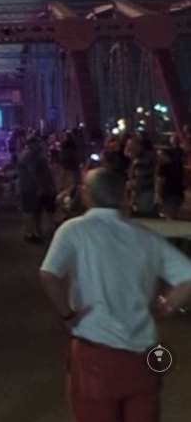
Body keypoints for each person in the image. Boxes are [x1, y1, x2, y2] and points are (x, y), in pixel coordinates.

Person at [40, 168, 191, 422]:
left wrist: (68, 316)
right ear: (123, 196)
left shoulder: (74, 230)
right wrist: (167, 306)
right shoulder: (145, 236)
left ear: (88, 195)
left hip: (95, 352)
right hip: (145, 354)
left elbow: (48, 275)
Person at [17, 133, 57, 243]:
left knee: (31, 211)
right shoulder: (30, 155)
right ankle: (29, 234)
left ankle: (32, 233)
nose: (40, 146)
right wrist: (40, 186)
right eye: (37, 143)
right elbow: (32, 172)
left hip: (27, 186)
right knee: (30, 211)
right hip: (28, 187)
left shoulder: (28, 154)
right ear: (32, 144)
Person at [155, 145, 185, 220]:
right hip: (178, 193)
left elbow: (160, 182)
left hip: (168, 194)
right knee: (174, 213)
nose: (158, 157)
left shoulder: (163, 168)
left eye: (160, 155)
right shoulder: (178, 166)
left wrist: (158, 195)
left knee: (170, 215)